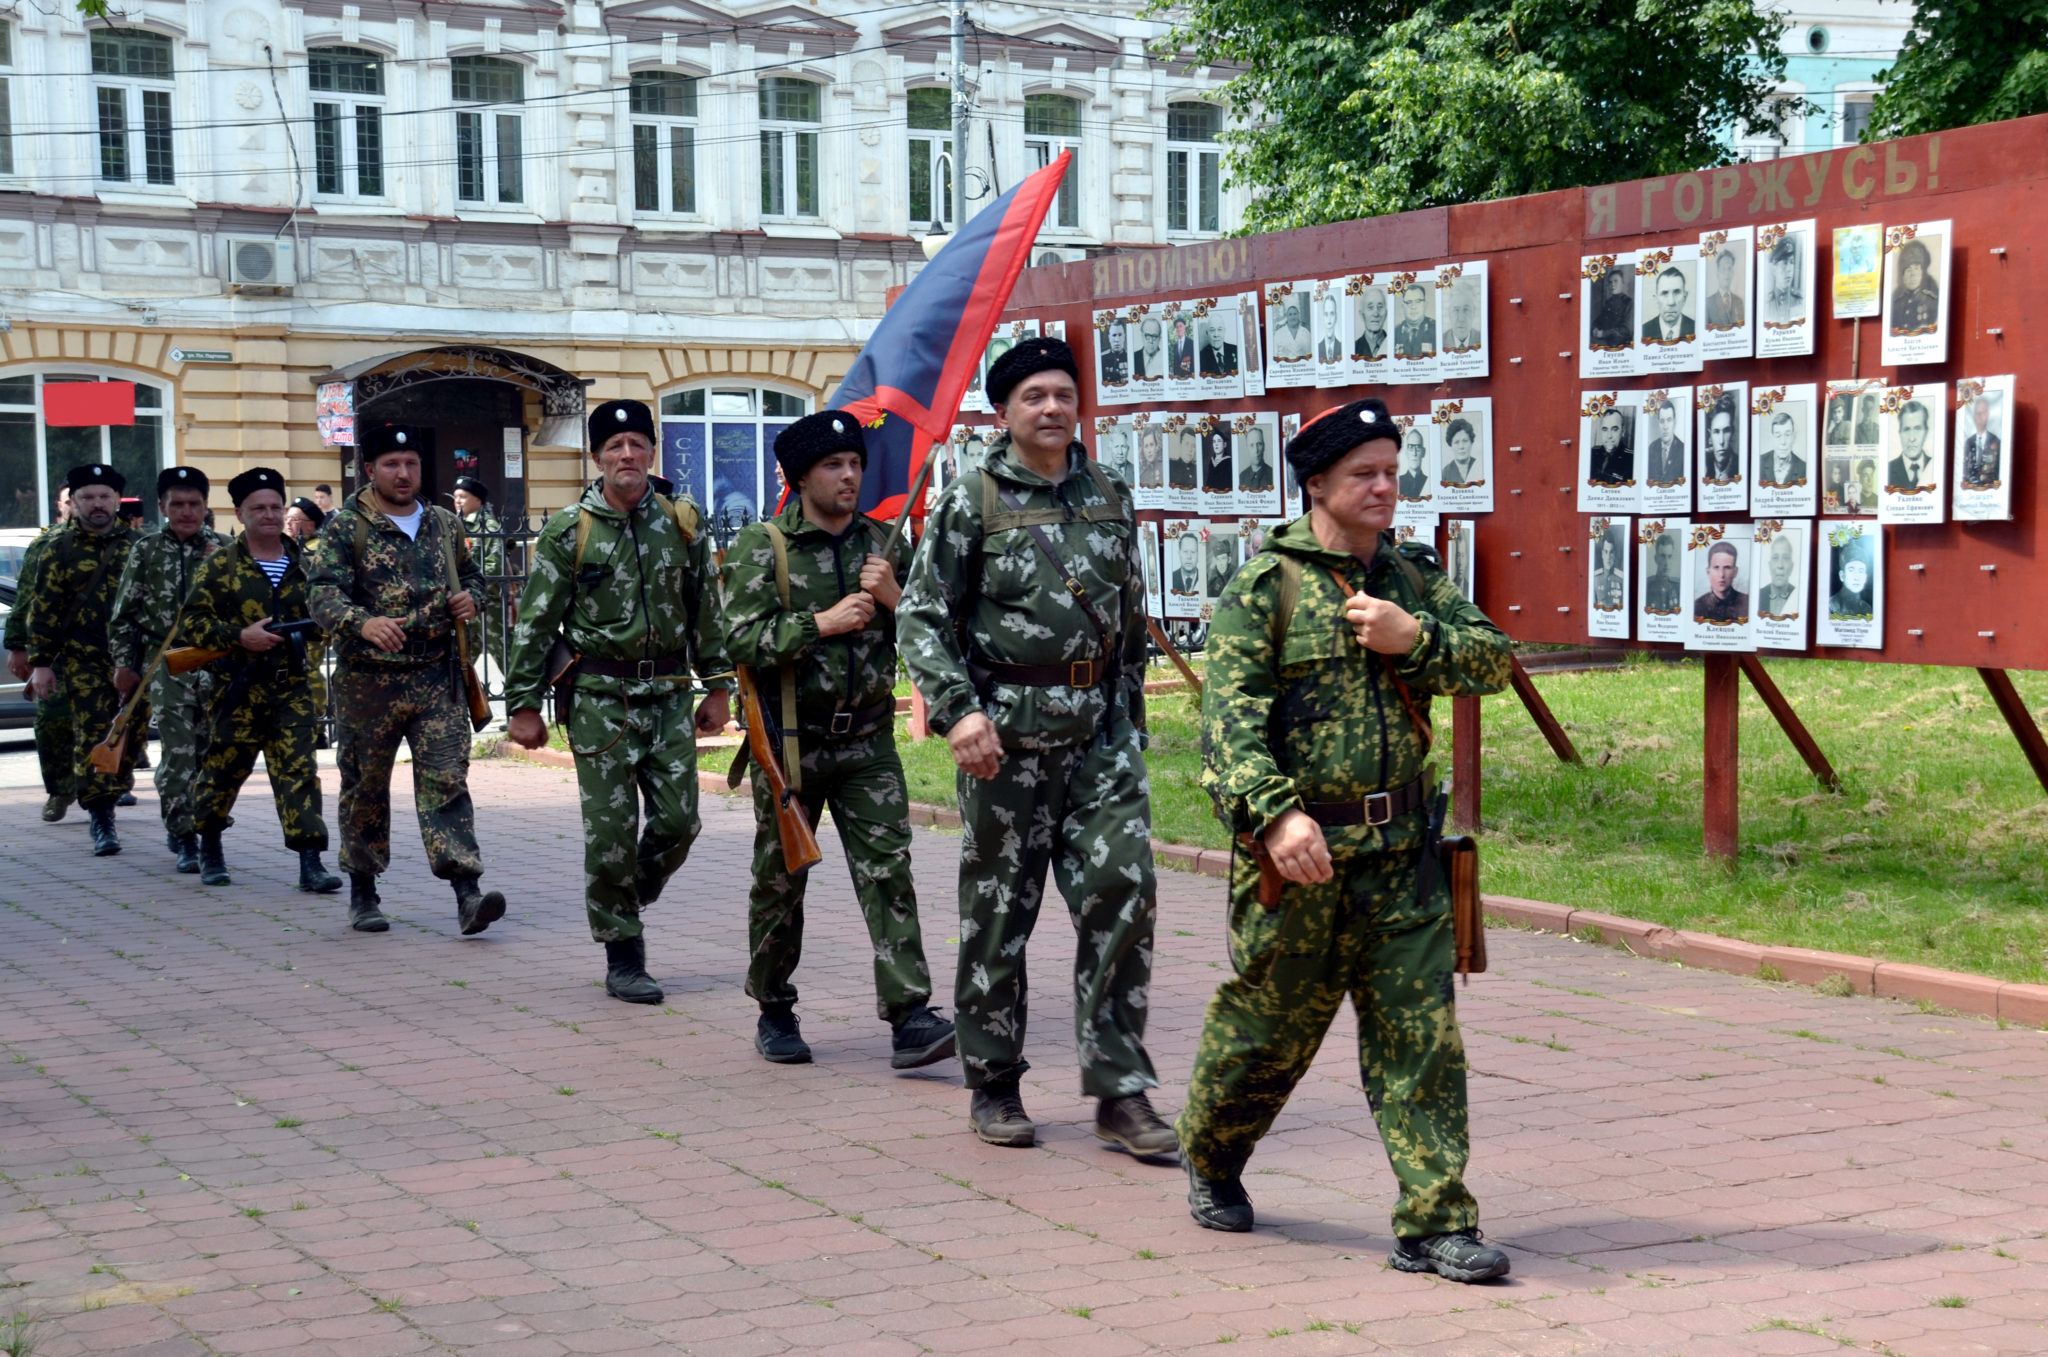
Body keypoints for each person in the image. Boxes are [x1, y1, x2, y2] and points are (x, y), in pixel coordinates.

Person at [1177, 395, 1513, 1282]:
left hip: (1403, 859)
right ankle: (1212, 1150)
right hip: (1301, 862)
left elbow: (1493, 660)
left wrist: (1417, 639)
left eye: (1393, 472)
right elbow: (1228, 730)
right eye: (1363, 473)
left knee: (1421, 1036)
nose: (1383, 487)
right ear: (1317, 482)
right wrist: (1277, 814)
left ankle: (1436, 1220)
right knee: (1269, 1034)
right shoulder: (1265, 587)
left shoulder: (1408, 578)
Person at [898, 336, 1175, 1159]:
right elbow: (921, 616)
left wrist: (1128, 721)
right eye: (1033, 397)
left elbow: (1128, 618)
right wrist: (956, 713)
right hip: (1004, 742)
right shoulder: (969, 500)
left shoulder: (1110, 493)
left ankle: (1121, 1090)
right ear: (1004, 412)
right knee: (998, 915)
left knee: (1125, 894)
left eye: (1062, 393)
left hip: (1098, 738)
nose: (1051, 408)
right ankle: (994, 1083)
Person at [718, 412, 953, 1065]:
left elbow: (934, 636)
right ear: (800, 477)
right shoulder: (765, 547)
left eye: (854, 462)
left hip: (868, 739)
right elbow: (737, 640)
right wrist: (820, 622)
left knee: (888, 871)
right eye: (832, 465)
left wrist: (895, 596)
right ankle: (774, 1006)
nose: (848, 474)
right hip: (793, 739)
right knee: (781, 879)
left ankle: (910, 1015)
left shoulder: (882, 544)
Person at [504, 400, 732, 999]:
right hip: (600, 701)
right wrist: (523, 704)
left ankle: (624, 900)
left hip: (670, 697)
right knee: (610, 834)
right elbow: (534, 623)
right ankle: (623, 951)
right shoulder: (570, 530)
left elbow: (707, 609)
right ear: (597, 457)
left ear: (652, 452)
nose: (626, 455)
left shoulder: (683, 521)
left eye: (637, 443)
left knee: (680, 824)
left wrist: (720, 686)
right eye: (614, 446)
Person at [308, 423, 507, 936]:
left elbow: (477, 577)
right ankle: (363, 891)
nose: (403, 473)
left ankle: (467, 893)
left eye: (411, 463)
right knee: (366, 785)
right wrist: (362, 622)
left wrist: (474, 598)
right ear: (370, 470)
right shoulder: (345, 526)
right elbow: (321, 594)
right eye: (391, 464)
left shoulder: (442, 522)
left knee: (446, 783)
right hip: (369, 681)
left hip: (437, 676)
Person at [178, 469, 343, 893]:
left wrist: (318, 630)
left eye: (275, 507)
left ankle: (311, 861)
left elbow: (327, 615)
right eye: (258, 508)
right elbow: (192, 624)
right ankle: (209, 845)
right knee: (223, 770)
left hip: (290, 687)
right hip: (236, 687)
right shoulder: (219, 564)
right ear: (240, 513)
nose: (268, 515)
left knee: (299, 772)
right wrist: (239, 637)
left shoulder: (306, 564)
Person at [108, 467, 225, 873]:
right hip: (167, 663)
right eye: (178, 504)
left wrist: (216, 568)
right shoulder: (146, 550)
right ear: (162, 507)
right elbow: (124, 616)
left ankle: (210, 831)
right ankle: (183, 835)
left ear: (206, 507)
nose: (187, 512)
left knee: (213, 754)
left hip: (214, 661)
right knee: (178, 753)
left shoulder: (225, 550)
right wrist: (124, 664)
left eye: (195, 504)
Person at [23, 465, 143, 855]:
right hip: (84, 660)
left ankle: (114, 787)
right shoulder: (58, 548)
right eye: (88, 497)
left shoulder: (139, 545)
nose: (97, 504)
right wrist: (40, 662)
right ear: (73, 503)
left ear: (116, 502)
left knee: (133, 733)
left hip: (135, 658)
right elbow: (43, 608)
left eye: (104, 497)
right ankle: (101, 815)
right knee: (92, 734)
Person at [7, 486, 77, 822]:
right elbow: (26, 597)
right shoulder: (46, 545)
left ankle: (107, 789)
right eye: (74, 499)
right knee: (51, 722)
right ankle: (60, 790)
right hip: (56, 651)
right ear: (63, 505)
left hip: (106, 651)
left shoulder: (125, 544)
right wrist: (18, 647)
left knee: (110, 723)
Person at [451, 474, 507, 674]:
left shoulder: (489, 527)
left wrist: (471, 588)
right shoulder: (459, 525)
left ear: (478, 500)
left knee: (502, 652)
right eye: (455, 496)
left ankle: (518, 697)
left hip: (488, 603)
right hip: (465, 604)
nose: (457, 501)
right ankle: (458, 695)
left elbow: (495, 565)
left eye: (463, 497)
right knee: (463, 655)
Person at [1889, 237, 1940, 336]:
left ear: (1922, 272)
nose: (1913, 275)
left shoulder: (1932, 300)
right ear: (1902, 275)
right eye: (1908, 270)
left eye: (1916, 269)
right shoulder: (1895, 302)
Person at [1886, 400, 1936, 491]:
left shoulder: (1935, 466)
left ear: (1926, 432)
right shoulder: (1887, 470)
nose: (1912, 438)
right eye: (1906, 429)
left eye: (1917, 429)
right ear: (1900, 433)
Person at [1693, 540, 1748, 624]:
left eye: (1727, 568)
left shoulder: (1747, 603)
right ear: (1708, 571)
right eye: (1716, 567)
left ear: (1735, 571)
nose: (1721, 574)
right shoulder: (1697, 607)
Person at [1641, 266, 1695, 344]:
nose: (1671, 302)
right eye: (1664, 293)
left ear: (1685, 297)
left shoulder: (1696, 328)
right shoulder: (1644, 331)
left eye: (1676, 292)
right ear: (1656, 299)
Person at [1961, 396, 2002, 489]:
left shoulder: (1996, 442)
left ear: (1987, 415)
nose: (1979, 415)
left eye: (1982, 412)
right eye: (1977, 412)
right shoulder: (1968, 443)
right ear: (1974, 416)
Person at [1762, 235, 1804, 327]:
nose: (1789, 269)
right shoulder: (1765, 304)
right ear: (1774, 269)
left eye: (1792, 262)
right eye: (1785, 263)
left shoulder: (1800, 300)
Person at [1589, 266, 1634, 349]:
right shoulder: (1608, 302)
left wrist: (1604, 333)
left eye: (1616, 281)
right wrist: (1594, 328)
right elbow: (1599, 320)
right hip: (1607, 343)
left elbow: (1626, 330)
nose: (1612, 284)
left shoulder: (1628, 302)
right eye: (1610, 282)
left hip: (1622, 345)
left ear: (1622, 283)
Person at [1758, 411, 1806, 488]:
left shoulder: (1804, 468)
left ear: (1794, 437)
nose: (1783, 442)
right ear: (1772, 437)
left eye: (1787, 435)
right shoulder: (1759, 463)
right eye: (1778, 435)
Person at [1644, 402, 1686, 485]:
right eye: (1662, 421)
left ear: (1674, 422)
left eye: (1669, 420)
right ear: (1658, 423)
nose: (1665, 426)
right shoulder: (1651, 449)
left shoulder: (1683, 450)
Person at [1758, 533, 1799, 617]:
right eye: (1775, 558)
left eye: (1786, 558)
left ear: (1792, 566)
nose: (1780, 565)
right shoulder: (1758, 596)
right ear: (1769, 565)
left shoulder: (1798, 596)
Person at [1588, 410, 1632, 487]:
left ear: (1623, 431)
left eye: (1614, 429)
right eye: (1605, 429)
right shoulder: (1592, 453)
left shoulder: (1631, 459)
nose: (1609, 436)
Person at [1702, 398, 1742, 484]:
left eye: (1726, 431)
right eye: (1716, 432)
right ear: (1710, 435)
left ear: (1732, 432)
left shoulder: (1740, 466)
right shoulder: (1703, 464)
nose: (1721, 441)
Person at [1830, 545, 1874, 619]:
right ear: (1842, 575)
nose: (1857, 577)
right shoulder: (1830, 606)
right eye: (1851, 570)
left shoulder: (1867, 609)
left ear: (1865, 577)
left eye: (1861, 571)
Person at [1705, 249, 1744, 330]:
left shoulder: (1739, 302)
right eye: (1723, 269)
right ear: (1717, 274)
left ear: (1732, 273)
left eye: (1729, 269)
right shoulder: (1708, 303)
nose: (1727, 273)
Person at [1394, 285, 1436, 359]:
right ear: (1402, 307)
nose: (1413, 307)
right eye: (1409, 302)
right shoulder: (1395, 332)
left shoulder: (1436, 329)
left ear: (1425, 305)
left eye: (1418, 301)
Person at [1645, 533, 1681, 613]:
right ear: (1656, 559)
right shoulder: (1646, 586)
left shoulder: (1678, 587)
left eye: (1669, 556)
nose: (1667, 563)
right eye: (1663, 556)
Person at [1440, 419, 1480, 487]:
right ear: (1451, 445)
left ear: (1471, 442)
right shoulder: (1444, 474)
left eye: (1465, 441)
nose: (1461, 446)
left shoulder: (1479, 466)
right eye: (1456, 442)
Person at [1271, 295, 1311, 361]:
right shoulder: (1279, 333)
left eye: (1295, 314)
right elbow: (1275, 355)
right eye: (1290, 314)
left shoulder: (1306, 332)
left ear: (1298, 315)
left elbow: (1309, 355)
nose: (1293, 317)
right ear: (1286, 316)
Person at [1442, 289, 1481, 353]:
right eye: (1456, 310)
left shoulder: (1482, 339)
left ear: (1474, 312)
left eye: (1466, 310)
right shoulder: (1441, 341)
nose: (1461, 319)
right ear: (1449, 313)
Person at [1353, 289, 1388, 360]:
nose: (1376, 314)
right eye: (1370, 307)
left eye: (1380, 307)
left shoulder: (1394, 344)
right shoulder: (1354, 347)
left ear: (1386, 314)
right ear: (1362, 315)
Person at [1593, 532, 1625, 610]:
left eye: (1611, 552)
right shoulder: (1595, 578)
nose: (1608, 557)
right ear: (1602, 554)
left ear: (1615, 554)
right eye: (1606, 552)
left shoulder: (1622, 579)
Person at [1398, 430, 1430, 499]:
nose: (1414, 453)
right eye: (1411, 447)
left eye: (1418, 447)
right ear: (1406, 452)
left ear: (1423, 452)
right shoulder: (1398, 482)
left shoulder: (1428, 481)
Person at [1133, 317, 1167, 382]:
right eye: (1147, 336)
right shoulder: (1133, 358)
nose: (1151, 341)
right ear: (1142, 336)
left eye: (1154, 336)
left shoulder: (1165, 358)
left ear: (1160, 338)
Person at [1202, 428, 1232, 496]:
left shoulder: (1228, 462)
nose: (1216, 444)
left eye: (1219, 441)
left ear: (1224, 444)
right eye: (1214, 441)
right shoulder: (1211, 462)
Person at [1315, 297, 1343, 363]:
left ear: (1336, 317)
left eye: (1332, 314)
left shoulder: (1342, 348)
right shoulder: (1317, 348)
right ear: (1322, 318)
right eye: (1326, 314)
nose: (1329, 319)